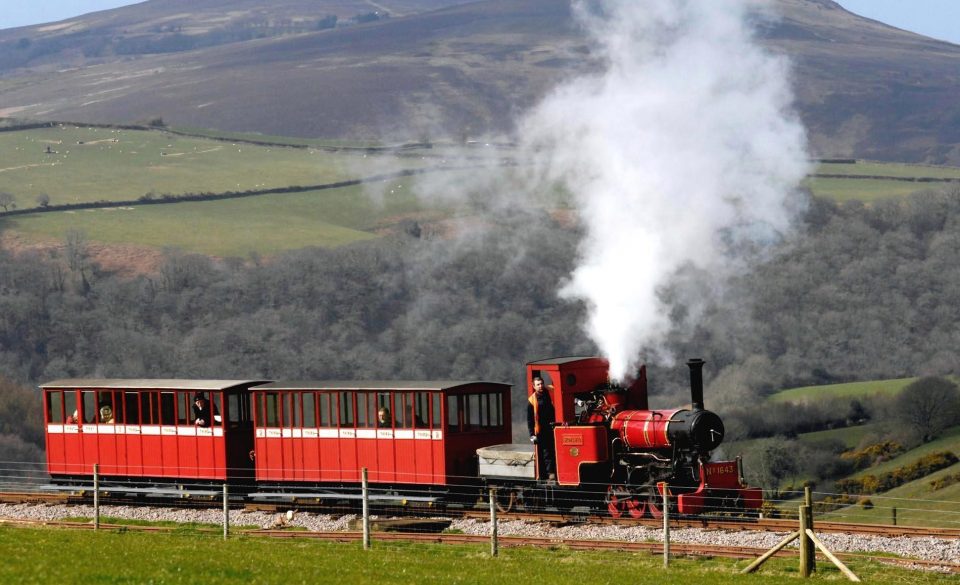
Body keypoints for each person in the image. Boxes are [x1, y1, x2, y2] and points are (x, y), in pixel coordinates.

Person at [527, 375, 556, 480]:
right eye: (538, 384)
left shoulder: (549, 392)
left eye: (541, 384)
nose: (540, 386)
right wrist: (532, 434)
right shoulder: (531, 400)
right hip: (541, 429)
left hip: (552, 426)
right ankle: (550, 473)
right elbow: (530, 419)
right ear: (534, 386)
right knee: (546, 451)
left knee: (553, 449)